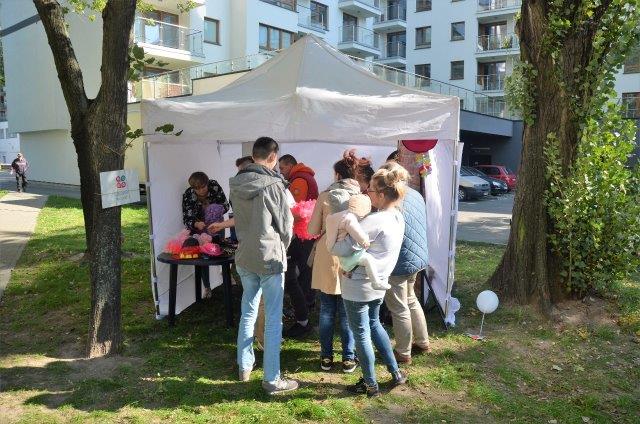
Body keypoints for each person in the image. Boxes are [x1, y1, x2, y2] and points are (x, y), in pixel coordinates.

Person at [229, 136, 298, 395]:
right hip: (269, 257)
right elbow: (286, 225)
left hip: (245, 254)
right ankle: (271, 378)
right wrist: (283, 247)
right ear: (273, 157)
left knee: (248, 312)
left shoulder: (237, 182)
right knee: (272, 318)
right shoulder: (273, 184)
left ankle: (244, 366)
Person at [339, 165, 410, 398]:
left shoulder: (374, 221)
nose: (366, 193)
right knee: (374, 324)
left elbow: (344, 248)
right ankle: (395, 373)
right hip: (380, 281)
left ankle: (370, 384)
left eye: (369, 190)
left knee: (361, 334)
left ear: (380, 194)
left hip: (359, 284)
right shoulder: (398, 216)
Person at [307, 150, 368, 373]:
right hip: (352, 255)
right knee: (347, 310)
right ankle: (348, 358)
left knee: (326, 309)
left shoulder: (325, 196)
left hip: (328, 254)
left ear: (337, 175)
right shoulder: (363, 198)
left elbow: (312, 229)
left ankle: (326, 357)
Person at [381, 156, 431, 364]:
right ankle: (422, 341)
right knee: (410, 299)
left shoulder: (393, 198)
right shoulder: (416, 194)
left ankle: (403, 352)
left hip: (400, 260)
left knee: (399, 306)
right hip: (417, 256)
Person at [278, 154, 318, 338]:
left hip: (301, 234)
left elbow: (296, 211)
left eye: (282, 168)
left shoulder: (299, 180)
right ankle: (305, 309)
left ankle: (304, 311)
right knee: (300, 273)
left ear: (290, 165)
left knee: (299, 275)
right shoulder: (303, 177)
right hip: (305, 232)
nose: (281, 172)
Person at [325, 190, 390, 290]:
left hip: (334, 248)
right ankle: (376, 282)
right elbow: (356, 231)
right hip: (343, 248)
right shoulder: (347, 217)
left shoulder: (330, 217)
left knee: (361, 260)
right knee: (368, 259)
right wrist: (365, 242)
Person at [182, 171, 230, 298]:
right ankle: (207, 287)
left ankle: (226, 276)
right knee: (204, 257)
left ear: (207, 183)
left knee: (220, 251)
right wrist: (196, 224)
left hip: (217, 225)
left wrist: (214, 210)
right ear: (193, 188)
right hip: (200, 229)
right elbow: (186, 218)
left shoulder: (214, 186)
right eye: (197, 189)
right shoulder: (188, 194)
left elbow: (226, 205)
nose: (201, 191)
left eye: (203, 187)